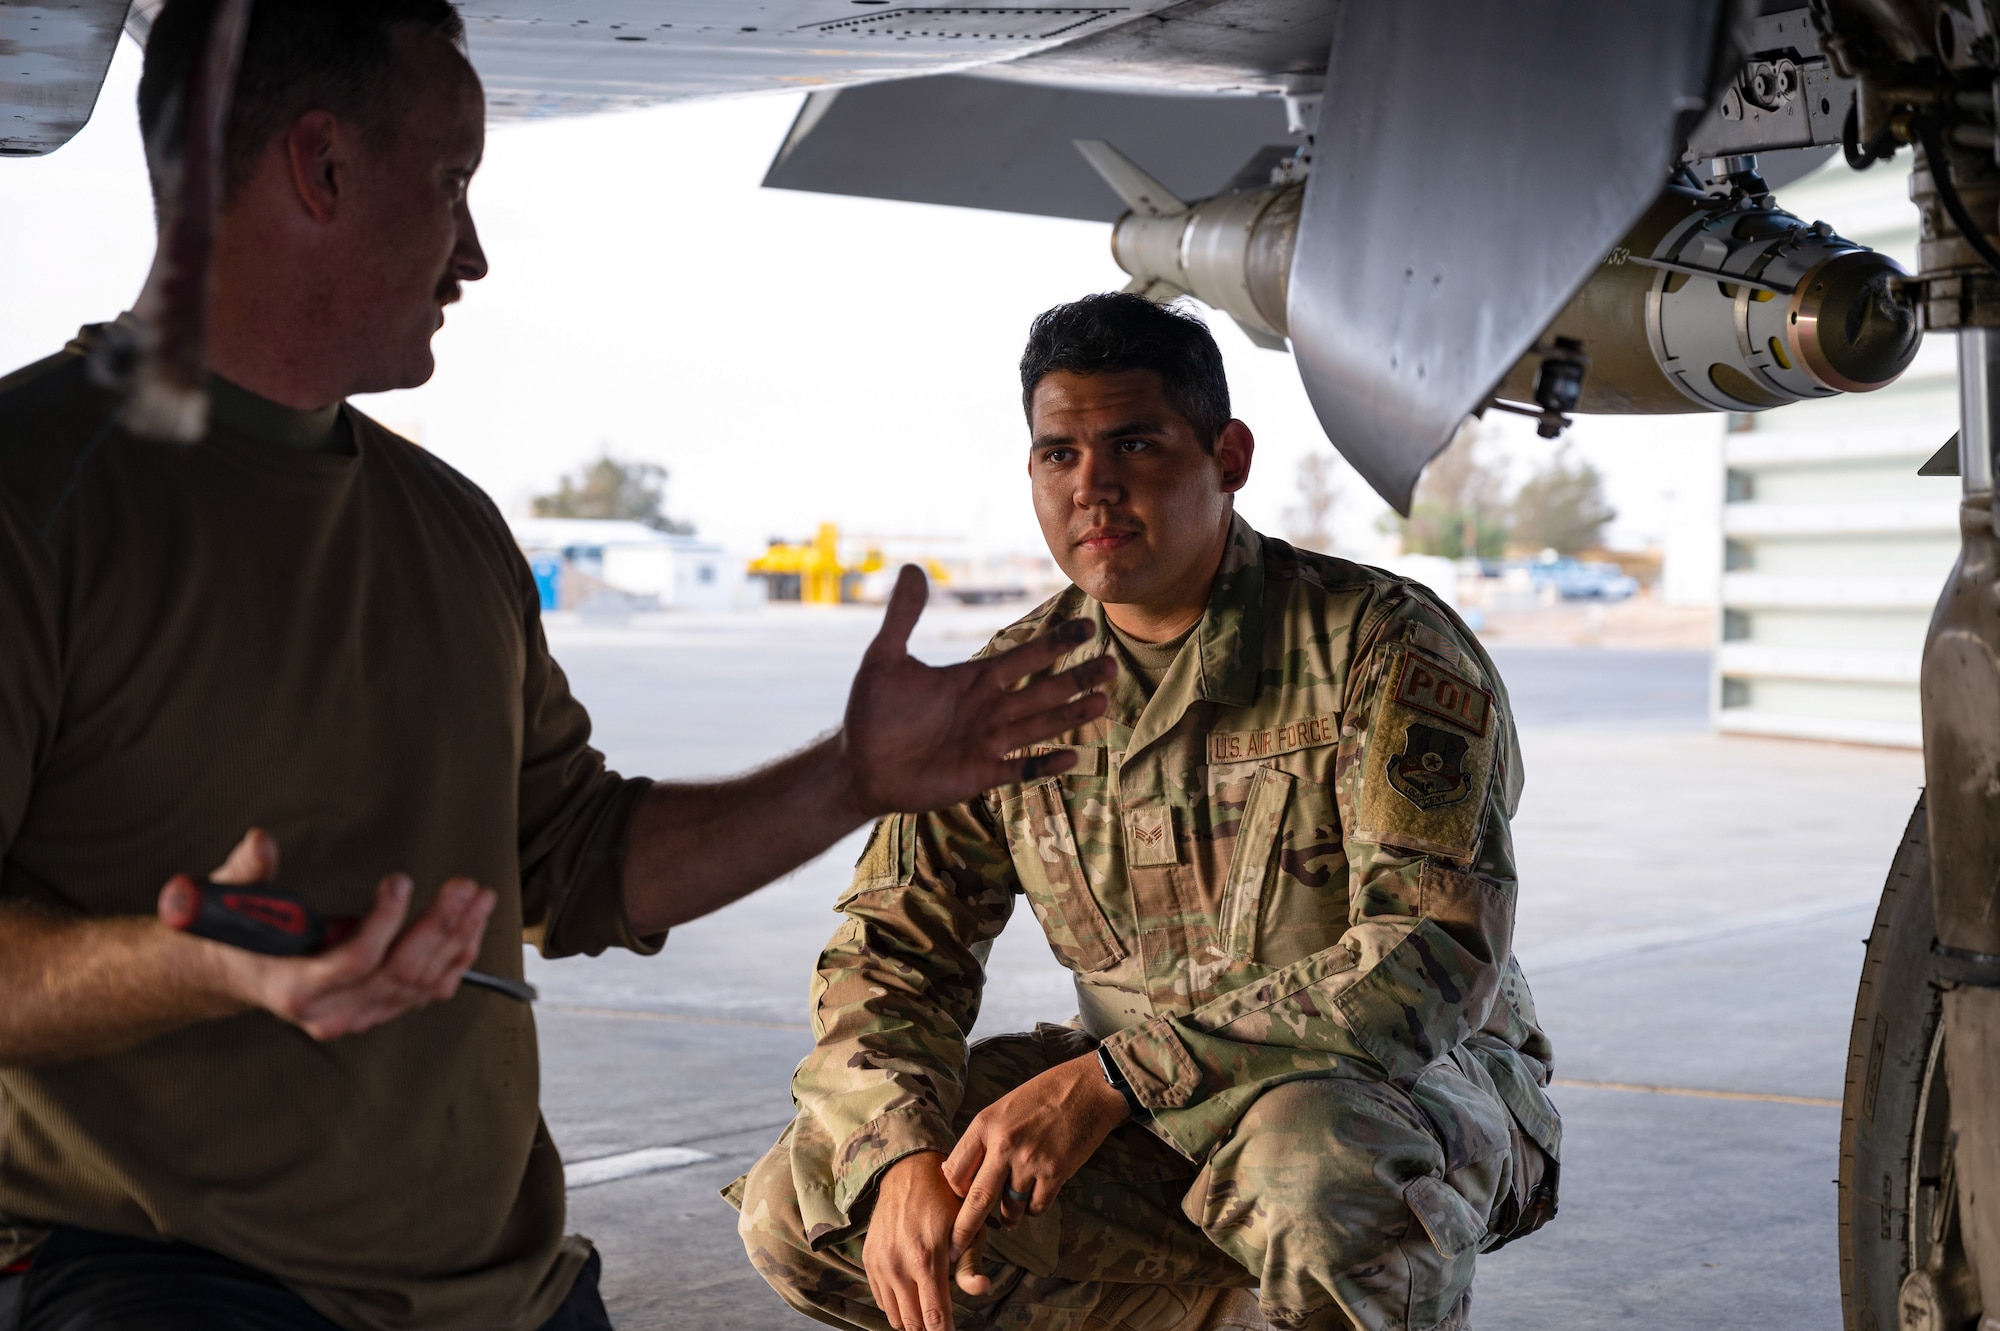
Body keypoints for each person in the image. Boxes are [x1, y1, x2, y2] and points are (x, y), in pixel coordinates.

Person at [0, 3, 1114, 1329]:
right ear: (322, 167)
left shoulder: (449, 527)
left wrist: (851, 776)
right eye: (451, 181)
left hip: (503, 1288)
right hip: (155, 1281)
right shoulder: (39, 499)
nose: (471, 251)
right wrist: (198, 965)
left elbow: (573, 855)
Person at [732, 293, 1562, 1331]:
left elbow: (1429, 952)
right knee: (810, 1202)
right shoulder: (1008, 693)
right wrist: (898, 1150)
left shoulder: (1380, 648)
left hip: (1401, 1093)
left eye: (1133, 443)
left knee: (1310, 1172)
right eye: (1057, 455)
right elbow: (892, 950)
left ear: (1228, 455)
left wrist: (1119, 1075)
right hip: (1146, 1119)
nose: (1093, 487)